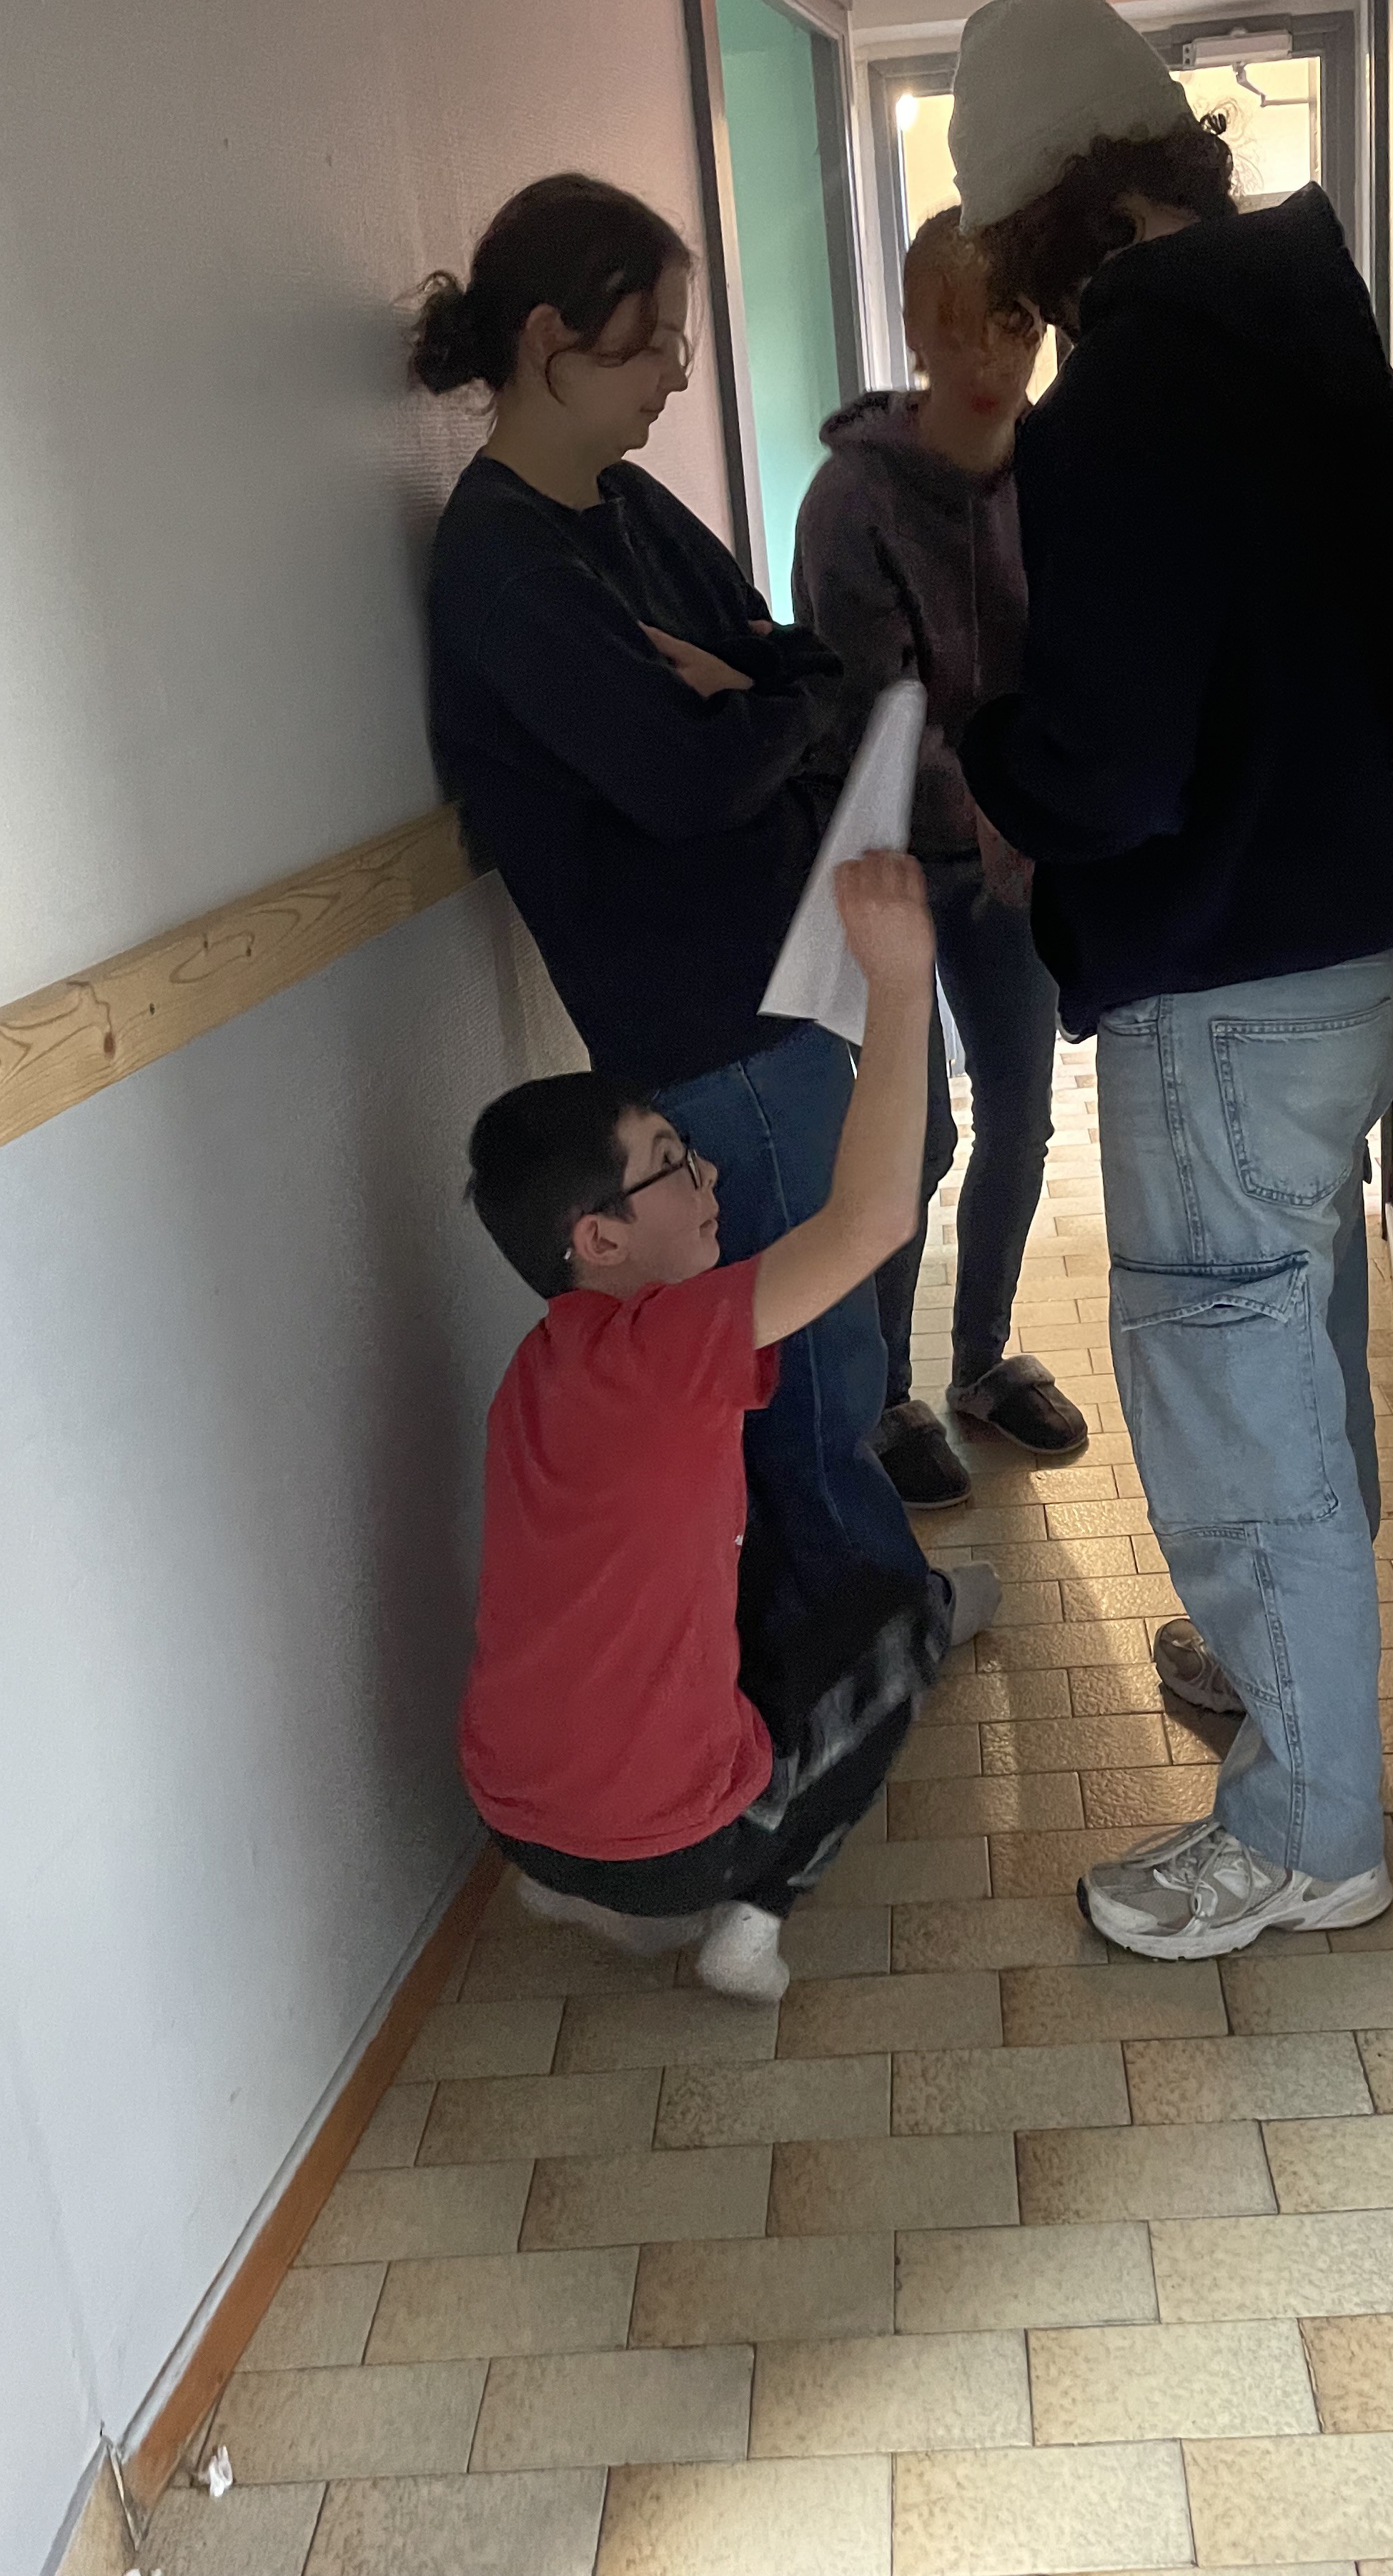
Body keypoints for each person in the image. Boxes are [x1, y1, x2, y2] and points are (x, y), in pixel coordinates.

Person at [948, 0, 1393, 1960]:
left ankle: (1312, 1831)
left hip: (1220, 987)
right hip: (1346, 954)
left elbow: (1106, 776)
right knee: (1289, 1354)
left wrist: (993, 745)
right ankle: (1277, 1680)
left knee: (1235, 1417)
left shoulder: (1123, 407)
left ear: (1041, 227)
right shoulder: (1324, 337)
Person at [415, 174, 969, 1739]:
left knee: (847, 1293)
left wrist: (751, 695)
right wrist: (756, 710)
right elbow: (682, 778)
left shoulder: (623, 508)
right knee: (804, 1371)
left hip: (790, 971)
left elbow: (801, 659)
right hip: (708, 1017)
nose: (676, 372)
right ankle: (869, 1659)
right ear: (549, 338)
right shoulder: (507, 570)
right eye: (653, 339)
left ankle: (868, 1618)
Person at [457, 852, 991, 2003]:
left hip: (509, 1814)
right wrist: (901, 987)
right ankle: (752, 1918)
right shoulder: (669, 1345)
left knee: (744, 1592)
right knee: (906, 1625)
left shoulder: (538, 1370)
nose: (709, 1177)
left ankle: (566, 1883)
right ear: (599, 1239)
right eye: (671, 1166)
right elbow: (870, 1222)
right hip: (675, 1852)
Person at [792, 209, 1089, 1510]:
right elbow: (870, 708)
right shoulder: (852, 499)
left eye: (1014, 325)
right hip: (895, 872)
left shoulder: (1061, 472)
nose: (990, 357)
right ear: (914, 329)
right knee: (913, 1140)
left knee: (1022, 1116)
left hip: (1017, 869)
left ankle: (980, 1361)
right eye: (958, 328)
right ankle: (884, 1398)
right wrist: (1005, 798)